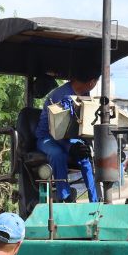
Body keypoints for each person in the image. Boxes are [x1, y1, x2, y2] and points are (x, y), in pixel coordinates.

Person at [34, 63, 101, 203]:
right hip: (48, 137)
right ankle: (65, 197)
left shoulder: (85, 94)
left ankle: (95, 202)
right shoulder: (60, 96)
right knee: (58, 154)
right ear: (92, 82)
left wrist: (83, 144)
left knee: (85, 156)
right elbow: (55, 131)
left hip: (68, 138)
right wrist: (71, 146)